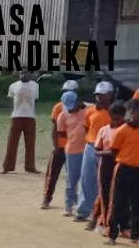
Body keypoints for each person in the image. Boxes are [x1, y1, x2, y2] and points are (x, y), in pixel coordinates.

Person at [77, 81, 115, 221]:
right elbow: (87, 127)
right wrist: (90, 141)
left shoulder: (115, 111)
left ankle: (101, 214)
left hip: (107, 151)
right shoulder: (91, 110)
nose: (99, 98)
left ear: (110, 95)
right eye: (97, 95)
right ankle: (83, 211)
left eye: (103, 95)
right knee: (86, 180)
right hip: (91, 147)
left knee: (104, 182)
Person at [103, 100, 139, 245]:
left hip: (138, 170)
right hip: (124, 169)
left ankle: (135, 235)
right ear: (131, 113)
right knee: (118, 202)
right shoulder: (122, 130)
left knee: (137, 203)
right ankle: (112, 234)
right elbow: (114, 150)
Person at [90, 101, 126, 233]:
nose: (116, 121)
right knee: (105, 195)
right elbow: (97, 149)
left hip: (121, 165)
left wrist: (114, 152)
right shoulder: (104, 130)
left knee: (119, 196)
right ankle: (105, 224)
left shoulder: (125, 130)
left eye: (119, 118)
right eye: (114, 117)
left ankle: (121, 224)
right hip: (106, 165)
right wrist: (110, 152)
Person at [42, 80, 78, 209]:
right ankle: (46, 198)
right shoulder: (58, 107)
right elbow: (54, 129)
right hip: (60, 146)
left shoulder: (80, 109)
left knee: (72, 175)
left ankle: (73, 199)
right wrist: (55, 146)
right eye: (65, 91)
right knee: (53, 174)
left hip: (74, 148)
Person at [56, 91, 88, 218]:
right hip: (72, 151)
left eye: (72, 106)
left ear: (78, 102)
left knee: (86, 181)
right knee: (71, 180)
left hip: (87, 150)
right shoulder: (63, 115)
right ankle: (69, 205)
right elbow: (61, 134)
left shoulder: (89, 111)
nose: (70, 109)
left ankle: (84, 206)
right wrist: (62, 149)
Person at [3, 70, 40, 174]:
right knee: (12, 142)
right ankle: (7, 166)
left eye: (26, 72)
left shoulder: (35, 85)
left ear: (30, 74)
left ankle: (30, 167)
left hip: (30, 116)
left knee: (30, 143)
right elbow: (11, 100)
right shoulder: (13, 86)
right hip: (16, 116)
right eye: (21, 73)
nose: (23, 75)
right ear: (19, 74)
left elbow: (35, 99)